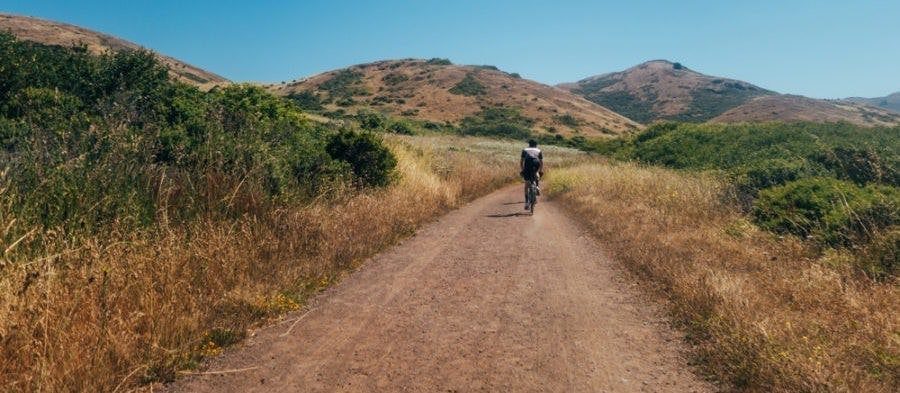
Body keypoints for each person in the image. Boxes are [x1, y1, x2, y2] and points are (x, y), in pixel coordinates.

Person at [520, 139, 543, 209]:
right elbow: (541, 162)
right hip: (536, 162)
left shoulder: (524, 150)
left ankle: (527, 202)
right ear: (536, 145)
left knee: (527, 184)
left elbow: (522, 161)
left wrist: (523, 170)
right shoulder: (539, 150)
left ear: (529, 144)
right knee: (536, 173)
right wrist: (540, 170)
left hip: (528, 163)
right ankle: (537, 186)